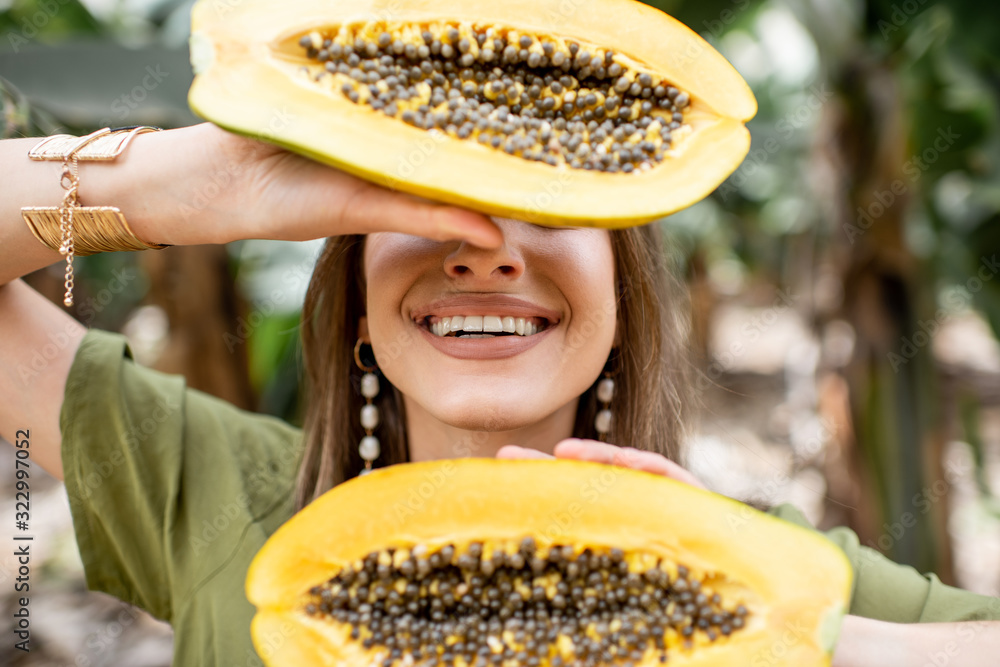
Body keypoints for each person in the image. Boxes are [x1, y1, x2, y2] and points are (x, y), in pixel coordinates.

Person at [1, 122, 998, 667]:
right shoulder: (223, 496)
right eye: (416, 205)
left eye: (550, 206)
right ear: (353, 297)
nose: (484, 250)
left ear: (623, 298)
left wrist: (789, 630)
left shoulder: (770, 567)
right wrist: (200, 181)